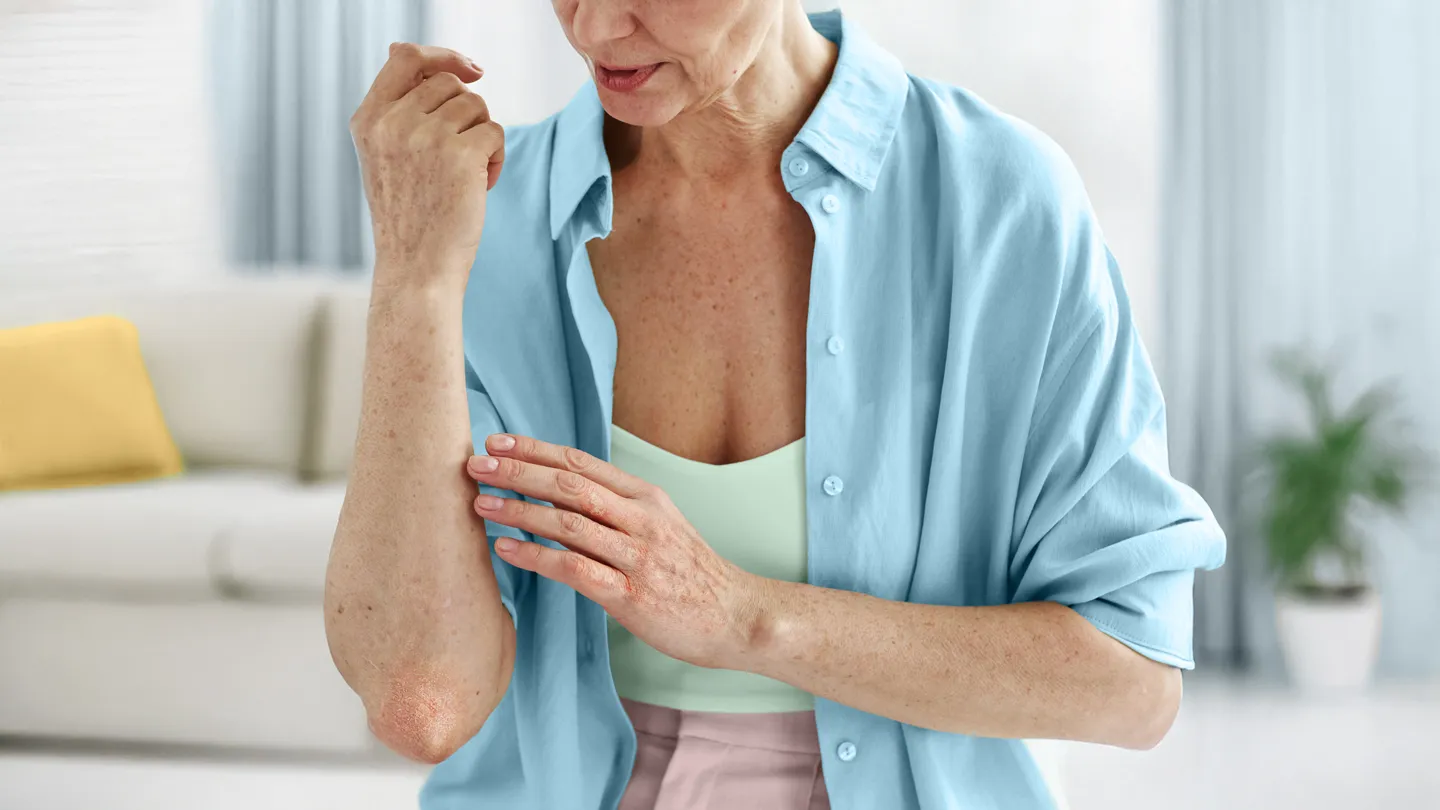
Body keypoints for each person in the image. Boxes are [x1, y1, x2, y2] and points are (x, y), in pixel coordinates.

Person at [323, 3, 1227, 808]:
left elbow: (1132, 681)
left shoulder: (1001, 205)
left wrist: (740, 615)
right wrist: (414, 276)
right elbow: (421, 705)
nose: (594, 28)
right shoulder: (488, 220)